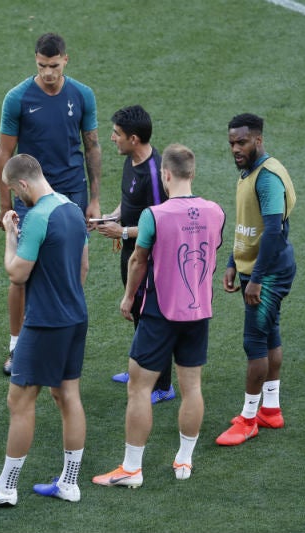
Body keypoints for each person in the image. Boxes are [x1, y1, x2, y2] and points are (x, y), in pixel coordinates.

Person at [92, 144, 225, 488]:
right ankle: (184, 460)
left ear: (165, 174)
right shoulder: (216, 211)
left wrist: (128, 297)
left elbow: (138, 260)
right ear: (192, 173)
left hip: (159, 312)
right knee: (192, 386)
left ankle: (132, 469)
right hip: (199, 311)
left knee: (138, 388)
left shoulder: (155, 214)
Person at [0, 154, 88, 506]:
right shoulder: (73, 209)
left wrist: (11, 238)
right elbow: (83, 267)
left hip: (45, 321)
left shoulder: (37, 218)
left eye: (15, 191)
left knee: (19, 401)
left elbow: (17, 274)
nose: (17, 198)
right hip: (76, 316)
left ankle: (6, 487)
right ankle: (69, 482)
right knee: (67, 395)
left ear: (24, 184)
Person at [0, 32, 101, 375]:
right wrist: (5, 204)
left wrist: (95, 198)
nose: (48, 74)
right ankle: (17, 346)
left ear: (66, 60)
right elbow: (4, 153)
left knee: (77, 267)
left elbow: (92, 147)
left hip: (72, 195)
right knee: (21, 277)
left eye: (54, 66)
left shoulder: (82, 95)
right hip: (30, 198)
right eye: (42, 66)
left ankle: (61, 333)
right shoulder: (17, 98)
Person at [216, 113, 296, 446]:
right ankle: (271, 410)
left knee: (255, 345)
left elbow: (274, 232)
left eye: (242, 142)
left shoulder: (266, 179)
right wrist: (234, 261)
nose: (235, 148)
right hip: (259, 268)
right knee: (270, 335)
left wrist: (257, 279)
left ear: (258, 140)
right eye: (232, 142)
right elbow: (249, 223)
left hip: (269, 273)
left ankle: (249, 419)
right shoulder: (250, 172)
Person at [96, 105, 175, 404]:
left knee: (152, 318)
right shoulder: (132, 160)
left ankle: (162, 386)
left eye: (116, 134)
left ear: (133, 138)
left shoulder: (154, 174)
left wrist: (122, 232)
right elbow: (130, 202)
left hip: (149, 258)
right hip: (131, 253)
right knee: (138, 314)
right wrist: (111, 216)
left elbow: (161, 225)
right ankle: (142, 367)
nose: (111, 138)